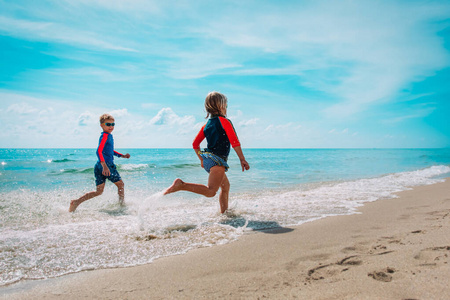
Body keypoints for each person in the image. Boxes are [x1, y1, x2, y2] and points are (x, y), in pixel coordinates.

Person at [164, 91, 250, 213]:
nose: (226, 108)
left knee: (225, 187)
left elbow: (195, 144)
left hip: (209, 159)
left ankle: (225, 214)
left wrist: (202, 160)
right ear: (221, 106)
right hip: (217, 160)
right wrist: (242, 159)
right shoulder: (225, 121)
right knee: (211, 191)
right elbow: (234, 142)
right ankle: (181, 185)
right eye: (226, 106)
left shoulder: (206, 125)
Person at [69, 113, 130, 212]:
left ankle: (76, 202)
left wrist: (121, 155)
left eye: (113, 124)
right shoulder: (105, 136)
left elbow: (110, 151)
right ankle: (122, 206)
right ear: (102, 125)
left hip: (100, 165)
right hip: (106, 165)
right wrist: (105, 166)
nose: (111, 127)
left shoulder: (107, 136)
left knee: (99, 191)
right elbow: (99, 151)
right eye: (108, 124)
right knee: (120, 185)